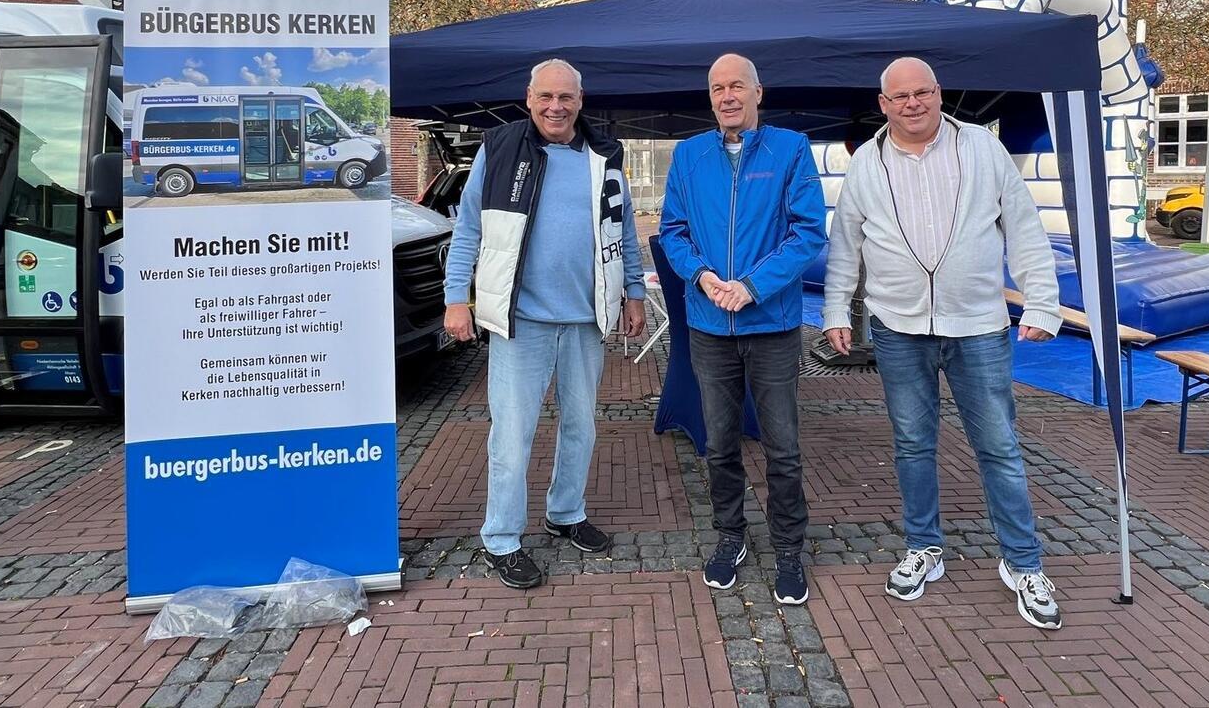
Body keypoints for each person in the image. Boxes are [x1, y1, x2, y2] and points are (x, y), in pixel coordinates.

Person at [821, 56, 1064, 630]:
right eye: (899, 96)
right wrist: (836, 309)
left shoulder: (981, 146)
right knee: (911, 444)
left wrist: (1043, 303)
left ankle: (1023, 562)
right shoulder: (867, 165)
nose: (912, 104)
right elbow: (845, 245)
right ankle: (924, 547)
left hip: (977, 323)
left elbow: (1025, 228)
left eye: (922, 92)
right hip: (898, 327)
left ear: (938, 93)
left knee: (1000, 446)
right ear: (883, 104)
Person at [443, 58, 647, 589]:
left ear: (581, 100)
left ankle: (566, 513)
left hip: (585, 319)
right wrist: (455, 299)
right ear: (528, 98)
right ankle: (502, 539)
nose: (556, 107)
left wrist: (634, 291)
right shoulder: (500, 147)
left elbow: (622, 234)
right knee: (512, 436)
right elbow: (467, 230)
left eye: (566, 98)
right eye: (546, 97)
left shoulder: (605, 156)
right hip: (521, 322)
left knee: (581, 426)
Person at [660, 53, 826, 605]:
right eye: (716, 88)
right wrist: (705, 277)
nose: (727, 96)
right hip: (709, 324)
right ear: (709, 98)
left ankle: (787, 549)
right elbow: (674, 232)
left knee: (782, 447)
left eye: (737, 86)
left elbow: (807, 233)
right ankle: (730, 537)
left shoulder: (789, 149)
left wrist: (752, 286)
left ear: (759, 92)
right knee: (719, 443)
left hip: (772, 324)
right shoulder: (688, 156)